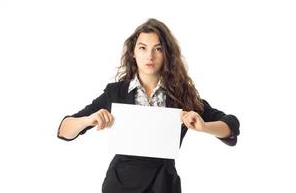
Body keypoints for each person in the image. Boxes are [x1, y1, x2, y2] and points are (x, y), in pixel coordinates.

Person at [57, 18, 240, 193]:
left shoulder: (183, 95)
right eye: (143, 48)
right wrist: (88, 120)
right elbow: (64, 130)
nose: (150, 56)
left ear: (167, 53)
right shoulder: (116, 92)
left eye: (158, 49)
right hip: (120, 186)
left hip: (165, 186)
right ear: (133, 52)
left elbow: (231, 126)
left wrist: (204, 126)